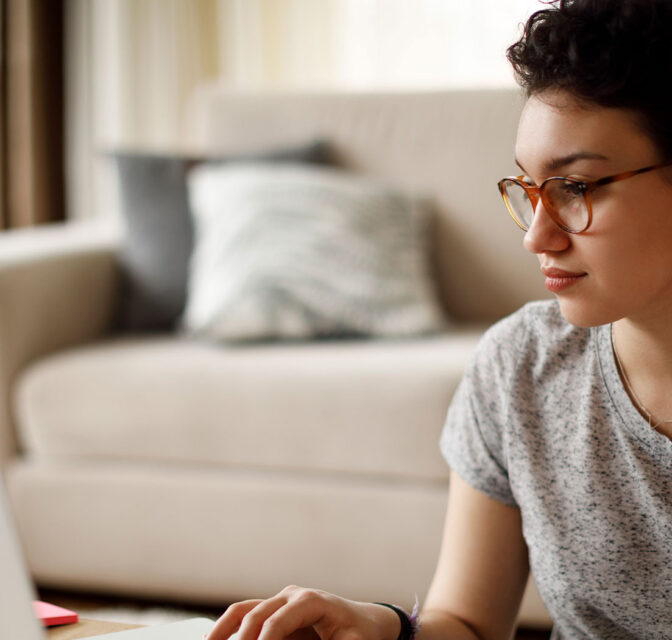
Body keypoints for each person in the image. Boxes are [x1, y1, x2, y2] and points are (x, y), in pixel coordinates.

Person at [207, 1, 672, 638]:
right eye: (530, 189)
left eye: (578, 188)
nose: (538, 237)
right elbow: (468, 624)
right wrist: (381, 627)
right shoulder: (521, 367)